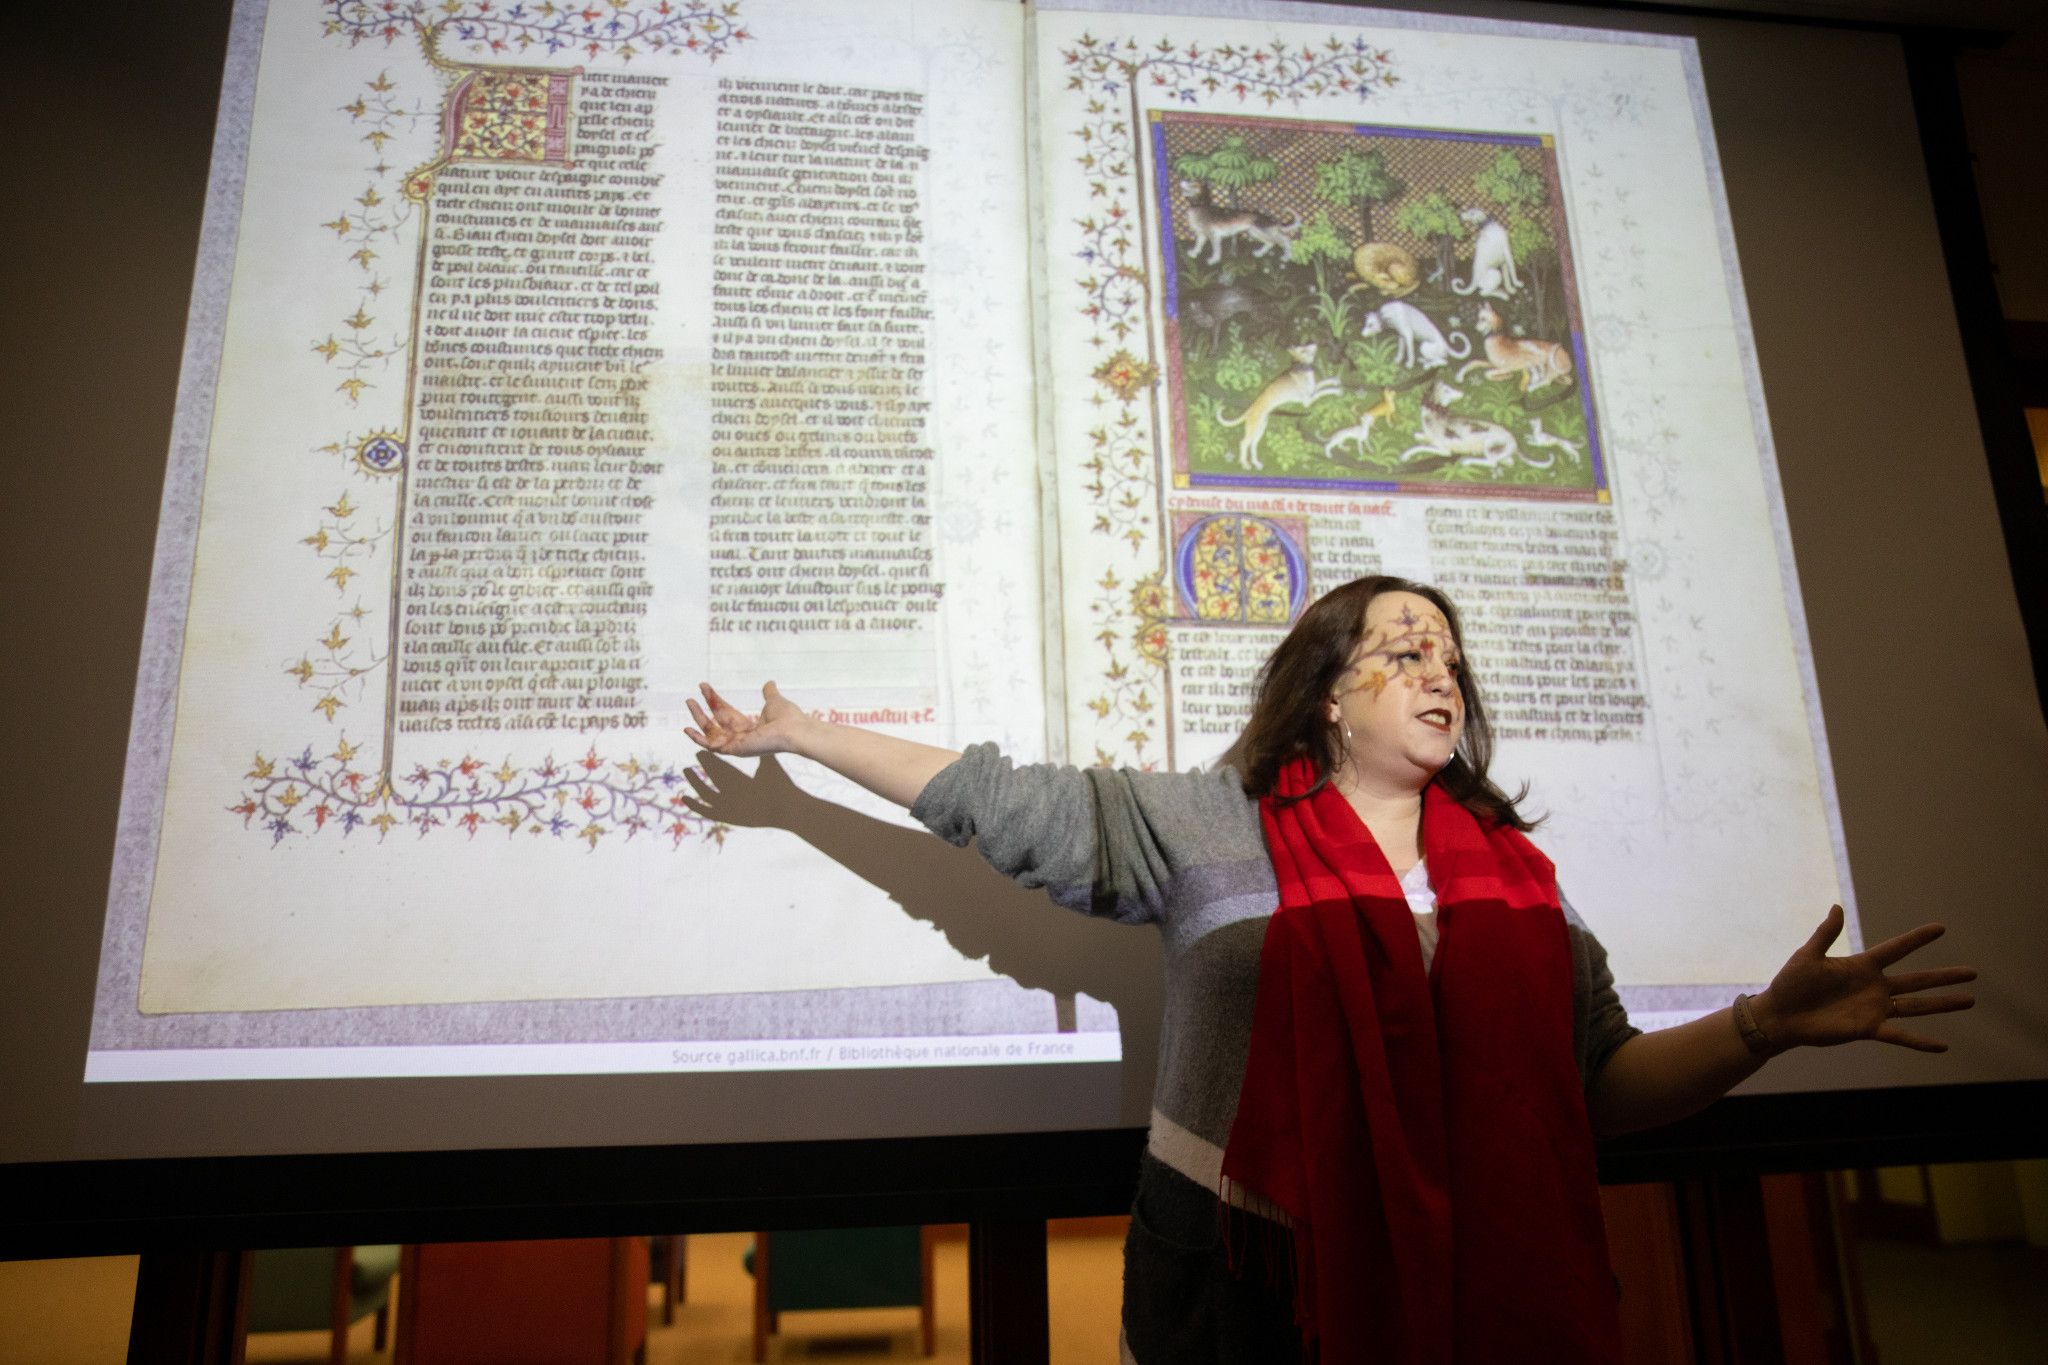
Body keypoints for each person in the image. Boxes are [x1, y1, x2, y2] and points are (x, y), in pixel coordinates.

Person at [683, 575, 1975, 1365]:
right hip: (1240, 1309)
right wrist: (801, 738)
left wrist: (1761, 1026)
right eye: (1403, 649)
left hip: (1480, 1301)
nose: (1439, 670)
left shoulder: (1517, 878)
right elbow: (990, 800)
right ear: (1326, 700)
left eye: (1450, 655)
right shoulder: (1206, 823)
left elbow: (1605, 1085)